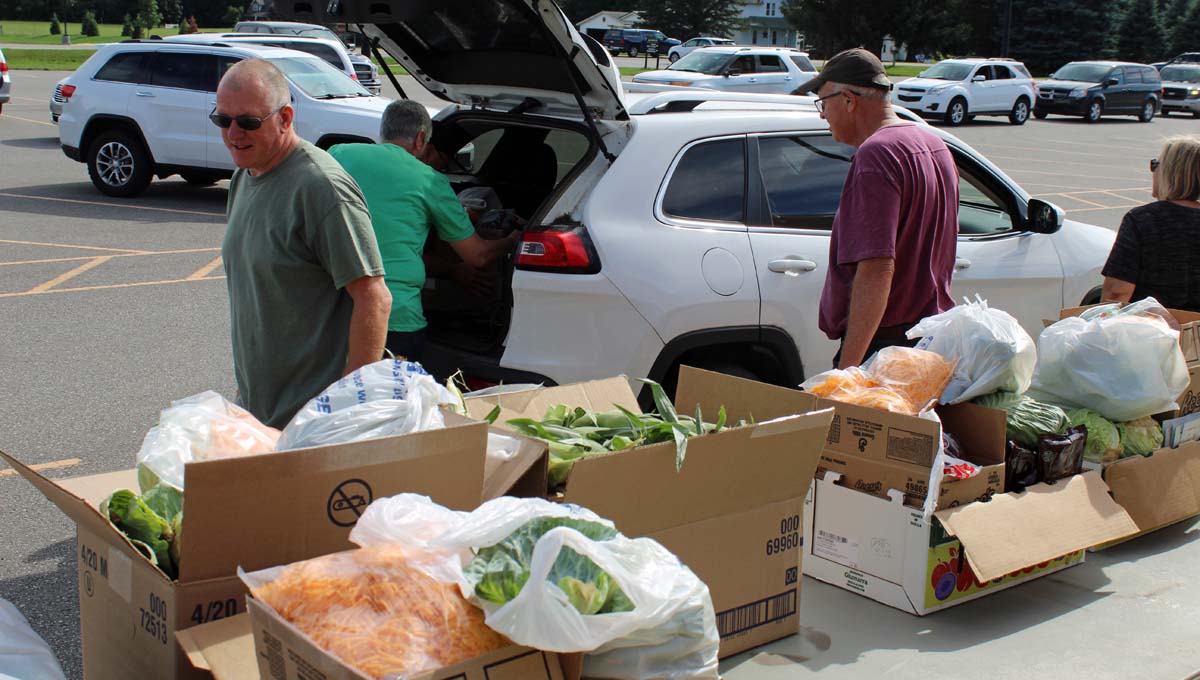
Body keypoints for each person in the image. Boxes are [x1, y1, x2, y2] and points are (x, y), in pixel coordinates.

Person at [215, 59, 391, 428]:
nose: (233, 133)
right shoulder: (245, 176)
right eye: (223, 119)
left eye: (248, 121)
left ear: (285, 117)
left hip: (310, 423)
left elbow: (374, 297)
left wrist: (347, 409)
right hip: (258, 413)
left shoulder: (320, 187)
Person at [794, 48, 959, 369]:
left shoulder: (877, 155)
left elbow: (877, 268)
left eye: (823, 102)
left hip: (884, 347)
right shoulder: (933, 144)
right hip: (926, 340)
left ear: (848, 100)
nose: (822, 114)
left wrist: (850, 368)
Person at [329, 100, 513, 362]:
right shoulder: (429, 181)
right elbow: (478, 256)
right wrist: (514, 239)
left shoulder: (339, 154)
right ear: (420, 139)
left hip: (333, 314)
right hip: (395, 320)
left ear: (384, 131)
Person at [1102, 135, 1200, 312]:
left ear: (1168, 172)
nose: (1153, 171)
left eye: (1156, 164)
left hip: (1152, 332)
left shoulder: (1142, 219)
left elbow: (1117, 292)